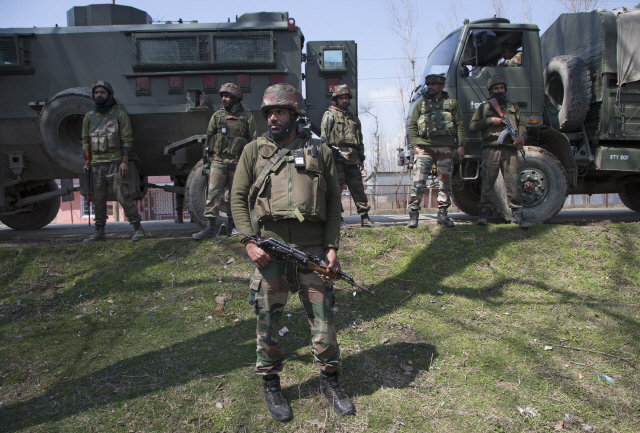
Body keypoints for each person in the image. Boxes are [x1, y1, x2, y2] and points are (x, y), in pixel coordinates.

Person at [230, 83, 354, 421]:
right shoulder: (253, 151)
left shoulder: (320, 151)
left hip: (312, 250)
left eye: (279, 111)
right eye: (268, 112)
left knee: (324, 321)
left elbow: (332, 204)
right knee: (267, 323)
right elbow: (238, 198)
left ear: (294, 114)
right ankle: (271, 384)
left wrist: (331, 247)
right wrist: (249, 242)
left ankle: (330, 380)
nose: (273, 118)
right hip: (269, 252)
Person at [82, 80, 144, 242]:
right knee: (99, 200)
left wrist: (124, 161)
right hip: (96, 166)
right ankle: (99, 231)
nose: (99, 95)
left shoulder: (119, 115)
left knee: (123, 196)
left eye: (102, 92)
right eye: (96, 93)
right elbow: (85, 140)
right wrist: (87, 160)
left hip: (115, 164)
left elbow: (127, 139)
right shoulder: (89, 117)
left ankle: (138, 229)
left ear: (109, 95)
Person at [192, 83, 257, 239]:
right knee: (213, 194)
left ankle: (233, 227)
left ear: (235, 98)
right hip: (218, 161)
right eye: (222, 96)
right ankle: (209, 228)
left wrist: (252, 165)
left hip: (238, 163)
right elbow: (209, 140)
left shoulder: (247, 118)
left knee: (235, 196)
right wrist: (207, 162)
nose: (223, 99)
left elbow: (253, 142)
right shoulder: (217, 116)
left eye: (227, 96)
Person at [469, 75, 530, 228]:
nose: (499, 90)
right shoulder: (484, 108)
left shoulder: (512, 107)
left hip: (509, 149)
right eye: (496, 88)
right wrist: (491, 121)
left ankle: (517, 214)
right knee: (487, 182)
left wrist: (522, 137)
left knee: (513, 182)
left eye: (501, 88)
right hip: (491, 149)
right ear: (491, 91)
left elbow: (521, 124)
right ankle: (484, 213)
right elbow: (473, 126)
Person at [406, 74, 466, 228]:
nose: (429, 87)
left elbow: (459, 125)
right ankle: (413, 215)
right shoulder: (420, 104)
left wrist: (461, 146)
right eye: (428, 84)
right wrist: (414, 146)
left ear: (441, 86)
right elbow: (412, 126)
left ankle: (443, 214)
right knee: (418, 182)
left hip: (445, 148)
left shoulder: (452, 104)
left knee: (445, 182)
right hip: (424, 148)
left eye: (433, 84)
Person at [321, 84, 376, 230]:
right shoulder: (330, 114)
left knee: (358, 189)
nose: (344, 100)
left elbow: (360, 139)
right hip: (336, 158)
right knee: (335, 190)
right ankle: (337, 219)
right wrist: (328, 158)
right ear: (336, 99)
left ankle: (365, 218)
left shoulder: (353, 118)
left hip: (353, 159)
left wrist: (362, 158)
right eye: (341, 98)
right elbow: (324, 139)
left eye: (346, 98)